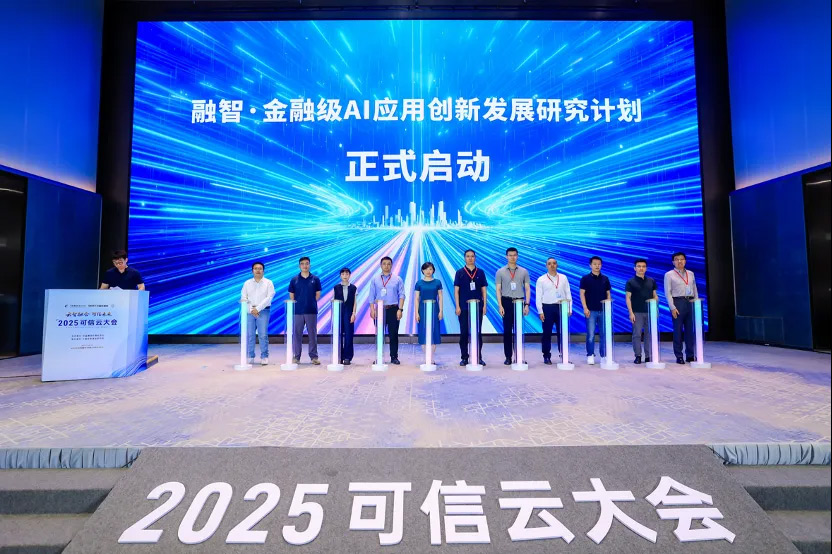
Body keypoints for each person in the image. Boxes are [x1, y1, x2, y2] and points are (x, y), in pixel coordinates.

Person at [495, 247, 531, 365]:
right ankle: (508, 357)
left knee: (519, 331)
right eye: (510, 255)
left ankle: (519, 356)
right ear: (506, 256)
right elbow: (498, 289)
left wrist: (527, 304)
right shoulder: (500, 271)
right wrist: (500, 305)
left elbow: (527, 288)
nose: (512, 257)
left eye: (514, 255)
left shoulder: (524, 271)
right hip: (506, 302)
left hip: (519, 303)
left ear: (517, 256)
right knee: (507, 331)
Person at [453, 249, 488, 366]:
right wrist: (457, 306)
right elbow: (456, 291)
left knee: (477, 333)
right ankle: (464, 357)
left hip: (478, 307)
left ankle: (478, 357)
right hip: (463, 308)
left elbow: (484, 290)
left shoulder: (480, 272)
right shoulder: (459, 272)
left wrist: (485, 305)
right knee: (464, 333)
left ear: (475, 258)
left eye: (472, 256)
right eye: (468, 256)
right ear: (464, 258)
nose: (470, 258)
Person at [664, 252, 700, 364]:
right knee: (678, 331)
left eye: (682, 259)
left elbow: (694, 289)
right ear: (673, 262)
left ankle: (690, 355)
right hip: (678, 302)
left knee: (690, 331)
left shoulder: (691, 273)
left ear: (685, 261)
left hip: (690, 302)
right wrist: (672, 307)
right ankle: (679, 356)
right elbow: (668, 292)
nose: (679, 261)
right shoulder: (669, 274)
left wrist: (696, 303)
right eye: (676, 259)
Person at [369, 256, 406, 365]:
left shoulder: (397, 279)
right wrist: (372, 309)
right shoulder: (375, 279)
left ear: (392, 265)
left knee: (393, 334)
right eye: (384, 264)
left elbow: (402, 295)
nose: (386, 266)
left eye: (389, 264)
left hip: (393, 309)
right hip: (379, 310)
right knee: (379, 334)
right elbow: (371, 296)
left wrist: (400, 309)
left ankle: (394, 357)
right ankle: (379, 357)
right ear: (381, 265)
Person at [535, 257, 572, 364]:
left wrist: (569, 308)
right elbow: (538, 297)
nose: (552, 265)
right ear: (546, 266)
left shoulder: (563, 278)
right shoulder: (541, 279)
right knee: (547, 333)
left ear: (557, 265)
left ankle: (564, 355)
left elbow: (568, 293)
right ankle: (546, 355)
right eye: (549, 263)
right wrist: (540, 311)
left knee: (563, 332)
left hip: (561, 307)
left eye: (554, 263)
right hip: (547, 308)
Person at [288, 256, 322, 364]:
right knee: (297, 335)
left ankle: (314, 357)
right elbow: (291, 295)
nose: (305, 266)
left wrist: (310, 302)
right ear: (299, 266)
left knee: (312, 335)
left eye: (307, 263)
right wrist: (298, 305)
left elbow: (318, 294)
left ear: (310, 265)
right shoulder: (294, 280)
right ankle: (296, 357)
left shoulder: (315, 279)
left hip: (311, 311)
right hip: (297, 311)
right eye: (302, 264)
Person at [241, 261, 275, 365]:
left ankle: (264, 356)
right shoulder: (247, 283)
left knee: (263, 335)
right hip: (249, 311)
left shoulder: (269, 283)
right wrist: (252, 309)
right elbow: (243, 297)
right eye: (255, 268)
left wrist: (258, 309)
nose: (258, 270)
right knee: (250, 335)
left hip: (263, 311)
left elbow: (269, 297)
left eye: (260, 268)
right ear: (252, 271)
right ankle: (250, 356)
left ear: (263, 270)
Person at [579, 256, 611, 365]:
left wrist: (608, 307)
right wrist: (585, 307)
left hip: (603, 310)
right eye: (595, 264)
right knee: (591, 334)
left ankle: (603, 355)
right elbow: (582, 294)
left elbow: (608, 294)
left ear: (601, 265)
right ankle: (590, 355)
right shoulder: (585, 278)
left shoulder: (605, 279)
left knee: (604, 334)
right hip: (591, 310)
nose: (597, 266)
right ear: (590, 265)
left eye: (599, 264)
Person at [625, 259, 658, 364]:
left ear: (646, 268)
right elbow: (628, 298)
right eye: (639, 266)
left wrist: (656, 308)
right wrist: (631, 312)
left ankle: (648, 356)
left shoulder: (651, 281)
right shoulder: (630, 282)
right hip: (637, 312)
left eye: (643, 266)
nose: (641, 268)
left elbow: (655, 296)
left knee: (649, 335)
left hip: (650, 312)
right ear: (635, 268)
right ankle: (638, 355)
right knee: (637, 335)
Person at [414, 262, 443, 355]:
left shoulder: (437, 282)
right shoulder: (419, 283)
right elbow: (416, 298)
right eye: (426, 269)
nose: (428, 271)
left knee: (434, 332)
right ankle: (426, 357)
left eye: (430, 269)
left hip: (434, 308)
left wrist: (441, 311)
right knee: (424, 332)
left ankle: (431, 357)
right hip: (423, 309)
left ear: (433, 270)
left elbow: (440, 297)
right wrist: (416, 313)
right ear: (422, 270)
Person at [333, 267, 357, 365]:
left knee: (348, 335)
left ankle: (347, 357)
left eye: (347, 274)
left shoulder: (353, 287)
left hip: (349, 314)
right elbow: (334, 301)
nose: (345, 276)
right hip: (339, 314)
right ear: (340, 276)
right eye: (343, 274)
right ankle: (339, 356)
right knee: (338, 335)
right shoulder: (336, 287)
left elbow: (355, 302)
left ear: (349, 275)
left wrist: (353, 313)